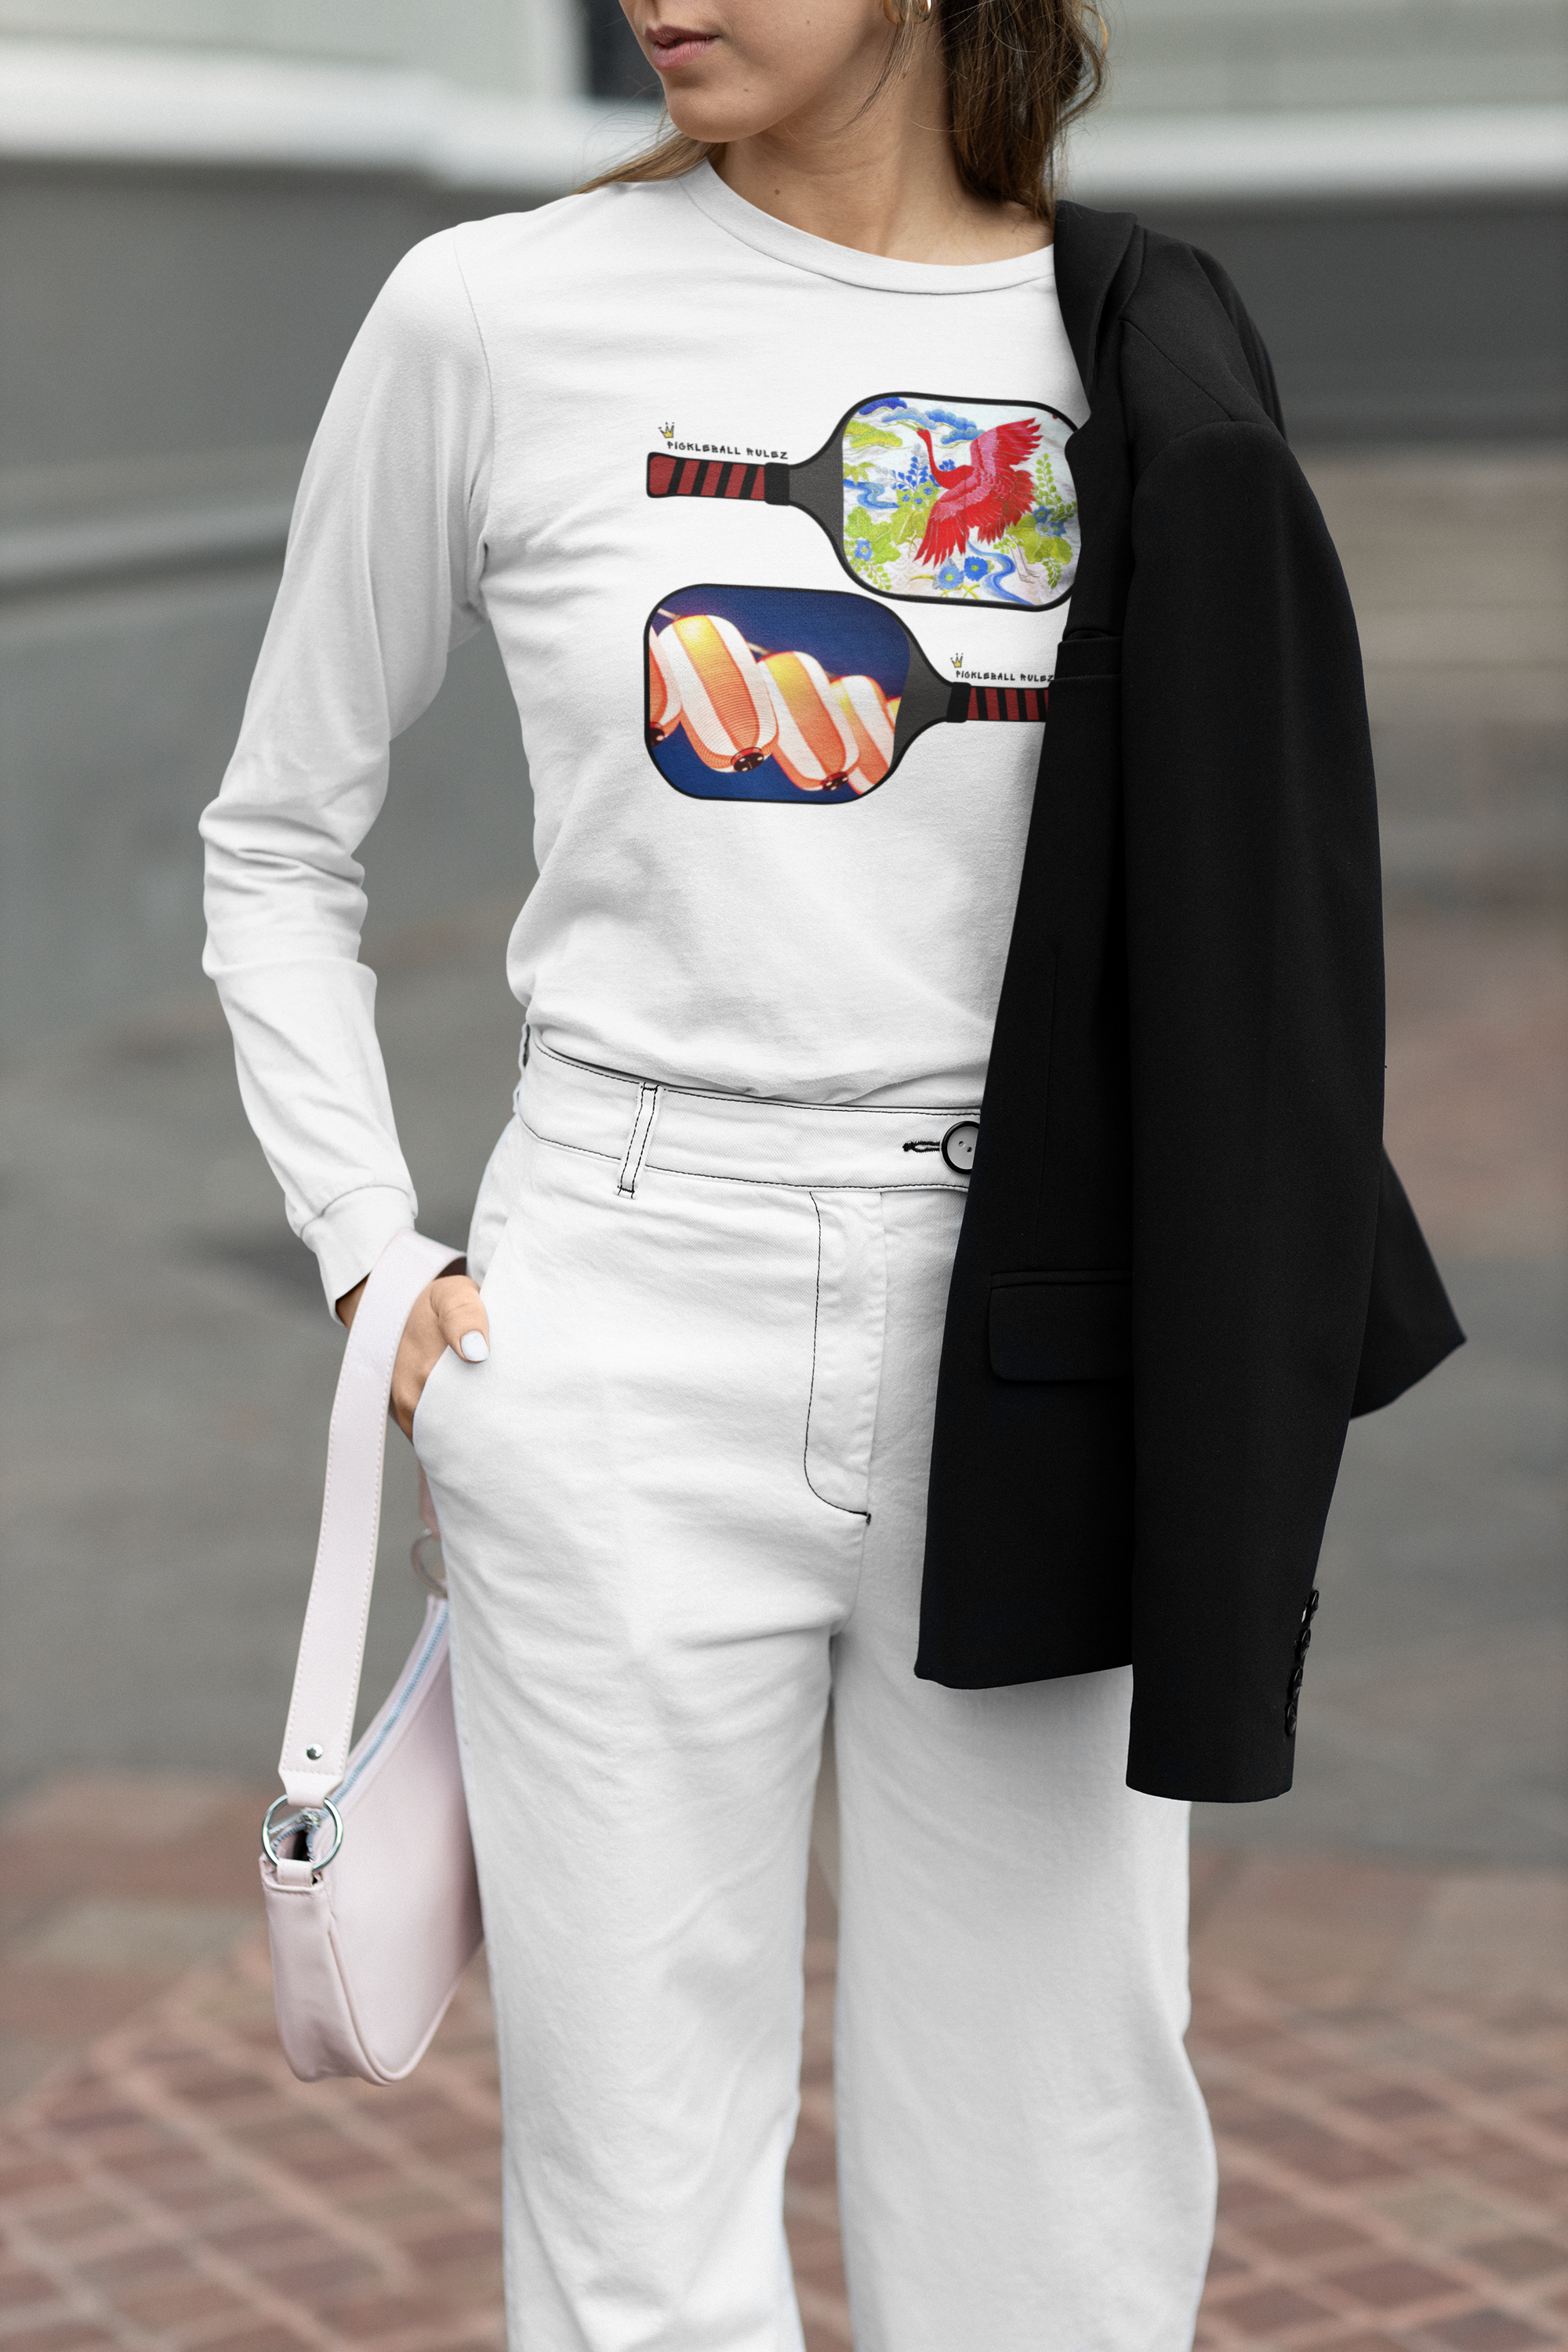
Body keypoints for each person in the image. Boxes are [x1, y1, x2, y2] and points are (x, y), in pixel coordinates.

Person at [201, 0, 1462, 2338]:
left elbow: (1261, 889)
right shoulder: (491, 316)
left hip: (1041, 1314)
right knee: (631, 2200)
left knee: (1054, 2171)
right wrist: (378, 1260)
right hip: (611, 1318)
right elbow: (279, 836)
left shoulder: (1139, 345)